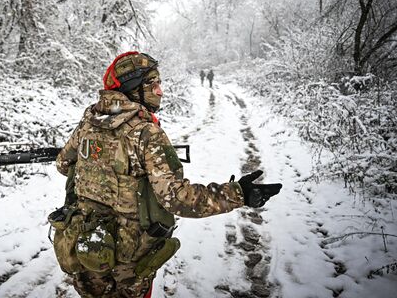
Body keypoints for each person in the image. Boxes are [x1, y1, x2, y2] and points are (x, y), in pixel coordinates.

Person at [51, 52, 282, 298]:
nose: (160, 91)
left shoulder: (88, 123)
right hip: (128, 260)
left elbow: (64, 164)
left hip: (87, 247)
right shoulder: (146, 133)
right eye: (153, 84)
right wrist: (238, 193)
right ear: (134, 88)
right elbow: (178, 199)